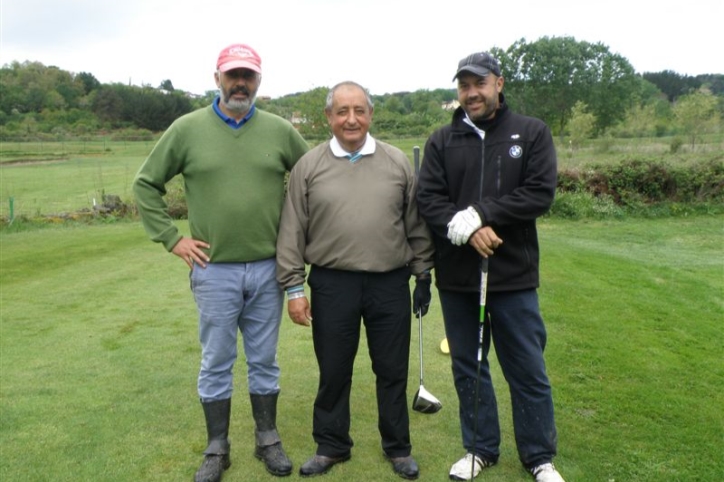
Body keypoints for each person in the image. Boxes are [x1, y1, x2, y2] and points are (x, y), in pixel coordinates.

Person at [133, 43, 309, 482]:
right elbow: (145, 185)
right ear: (217, 79)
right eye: (233, 75)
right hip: (214, 271)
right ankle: (218, 447)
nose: (240, 83)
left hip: (269, 268)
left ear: (259, 81)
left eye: (248, 75)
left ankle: (267, 439)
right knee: (216, 360)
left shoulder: (280, 131)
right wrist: (172, 239)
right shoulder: (187, 129)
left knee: (264, 359)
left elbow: (313, 181)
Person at [416, 52, 564, 482]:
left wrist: (481, 214)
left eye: (478, 84)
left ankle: (539, 457)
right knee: (469, 367)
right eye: (463, 86)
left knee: (527, 367)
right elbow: (430, 199)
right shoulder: (443, 141)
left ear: (498, 83)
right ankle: (480, 448)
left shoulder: (530, 132)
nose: (470, 93)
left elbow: (538, 193)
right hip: (460, 278)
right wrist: (462, 229)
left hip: (513, 275)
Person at [275, 81, 434, 480]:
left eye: (359, 110)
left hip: (389, 283)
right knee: (333, 370)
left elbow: (415, 226)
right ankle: (331, 446)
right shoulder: (308, 167)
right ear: (328, 117)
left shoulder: (397, 162)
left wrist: (423, 275)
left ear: (370, 115)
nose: (351, 119)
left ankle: (397, 448)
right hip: (332, 284)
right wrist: (294, 289)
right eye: (342, 111)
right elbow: (291, 232)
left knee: (392, 369)